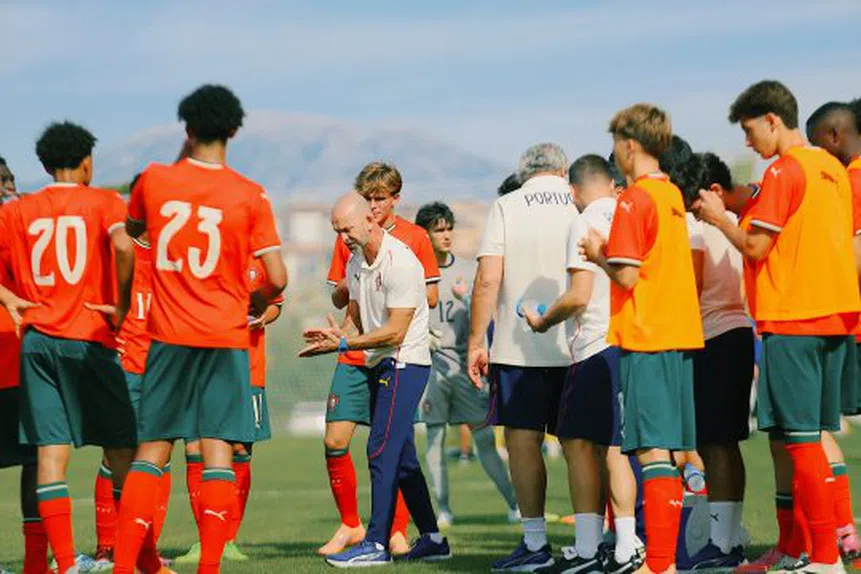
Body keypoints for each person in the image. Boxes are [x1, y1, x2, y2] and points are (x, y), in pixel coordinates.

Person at [112, 84, 287, 574]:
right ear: (234, 130)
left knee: (152, 452)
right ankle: (209, 567)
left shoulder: (154, 179)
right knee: (217, 452)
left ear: (186, 131)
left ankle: (125, 568)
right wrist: (245, 300)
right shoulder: (250, 194)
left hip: (167, 339)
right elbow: (277, 278)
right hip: (225, 339)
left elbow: (133, 233)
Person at [696, 80, 859, 574]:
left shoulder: (785, 170)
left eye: (749, 131)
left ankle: (825, 558)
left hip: (794, 317)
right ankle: (797, 549)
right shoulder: (831, 167)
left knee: (802, 441)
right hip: (834, 317)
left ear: (772, 120)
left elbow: (754, 247)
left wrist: (720, 217)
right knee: (808, 437)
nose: (748, 143)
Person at [0, 122, 138, 574]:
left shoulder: (20, 209)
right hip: (88, 336)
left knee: (49, 457)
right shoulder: (102, 201)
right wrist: (119, 304)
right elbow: (124, 246)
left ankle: (63, 564)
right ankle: (139, 561)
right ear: (86, 163)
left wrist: (7, 297)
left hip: (37, 343)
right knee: (122, 450)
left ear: (42, 165)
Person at [580, 103, 704, 574]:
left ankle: (659, 565)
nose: (614, 153)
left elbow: (628, 278)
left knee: (653, 453)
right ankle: (665, 563)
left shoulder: (634, 199)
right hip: (679, 335)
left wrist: (597, 253)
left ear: (630, 144)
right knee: (670, 453)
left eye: (615, 143)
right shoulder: (670, 193)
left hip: (648, 336)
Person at [300, 193, 449, 567]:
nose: (343, 237)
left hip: (404, 364)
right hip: (380, 362)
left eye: (346, 228)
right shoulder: (354, 261)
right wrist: (337, 339)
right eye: (337, 231)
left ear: (370, 220)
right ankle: (432, 539)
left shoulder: (400, 262)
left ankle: (377, 544)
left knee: (379, 449)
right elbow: (355, 318)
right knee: (403, 460)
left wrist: (348, 341)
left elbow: (396, 332)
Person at [524, 154, 642, 574]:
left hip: (594, 346)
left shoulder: (584, 220)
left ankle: (591, 546)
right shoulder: (632, 209)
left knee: (577, 443)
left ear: (573, 192)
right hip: (632, 340)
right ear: (612, 182)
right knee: (616, 446)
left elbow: (578, 294)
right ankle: (625, 544)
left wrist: (542, 321)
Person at [468, 142, 576, 571]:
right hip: (578, 346)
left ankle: (534, 543)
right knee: (584, 446)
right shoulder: (580, 201)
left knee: (523, 444)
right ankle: (598, 538)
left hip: (517, 348)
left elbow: (487, 279)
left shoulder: (506, 205)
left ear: (524, 171)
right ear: (563, 169)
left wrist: (477, 340)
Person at [414, 201, 518, 528]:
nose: (446, 236)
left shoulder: (468, 270)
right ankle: (442, 509)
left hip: (465, 367)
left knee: (485, 439)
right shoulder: (416, 273)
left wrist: (467, 301)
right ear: (424, 235)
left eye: (449, 229)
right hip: (430, 368)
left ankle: (515, 504)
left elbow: (487, 314)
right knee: (433, 439)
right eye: (438, 230)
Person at [175, 256, 285, 565]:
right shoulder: (200, 252)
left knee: (239, 448)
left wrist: (264, 317)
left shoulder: (260, 260)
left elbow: (276, 304)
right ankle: (205, 538)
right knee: (194, 446)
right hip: (198, 365)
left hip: (247, 367)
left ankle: (229, 539)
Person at [674, 152, 756, 565]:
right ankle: (728, 536)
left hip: (712, 336)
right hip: (738, 334)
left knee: (714, 443)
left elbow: (691, 285)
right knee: (726, 442)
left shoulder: (698, 226)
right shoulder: (737, 225)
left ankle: (723, 545)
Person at [806, 101, 861, 567]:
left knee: (814, 429)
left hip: (846, 320)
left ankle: (840, 536)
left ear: (837, 135)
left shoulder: (852, 180)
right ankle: (842, 535)